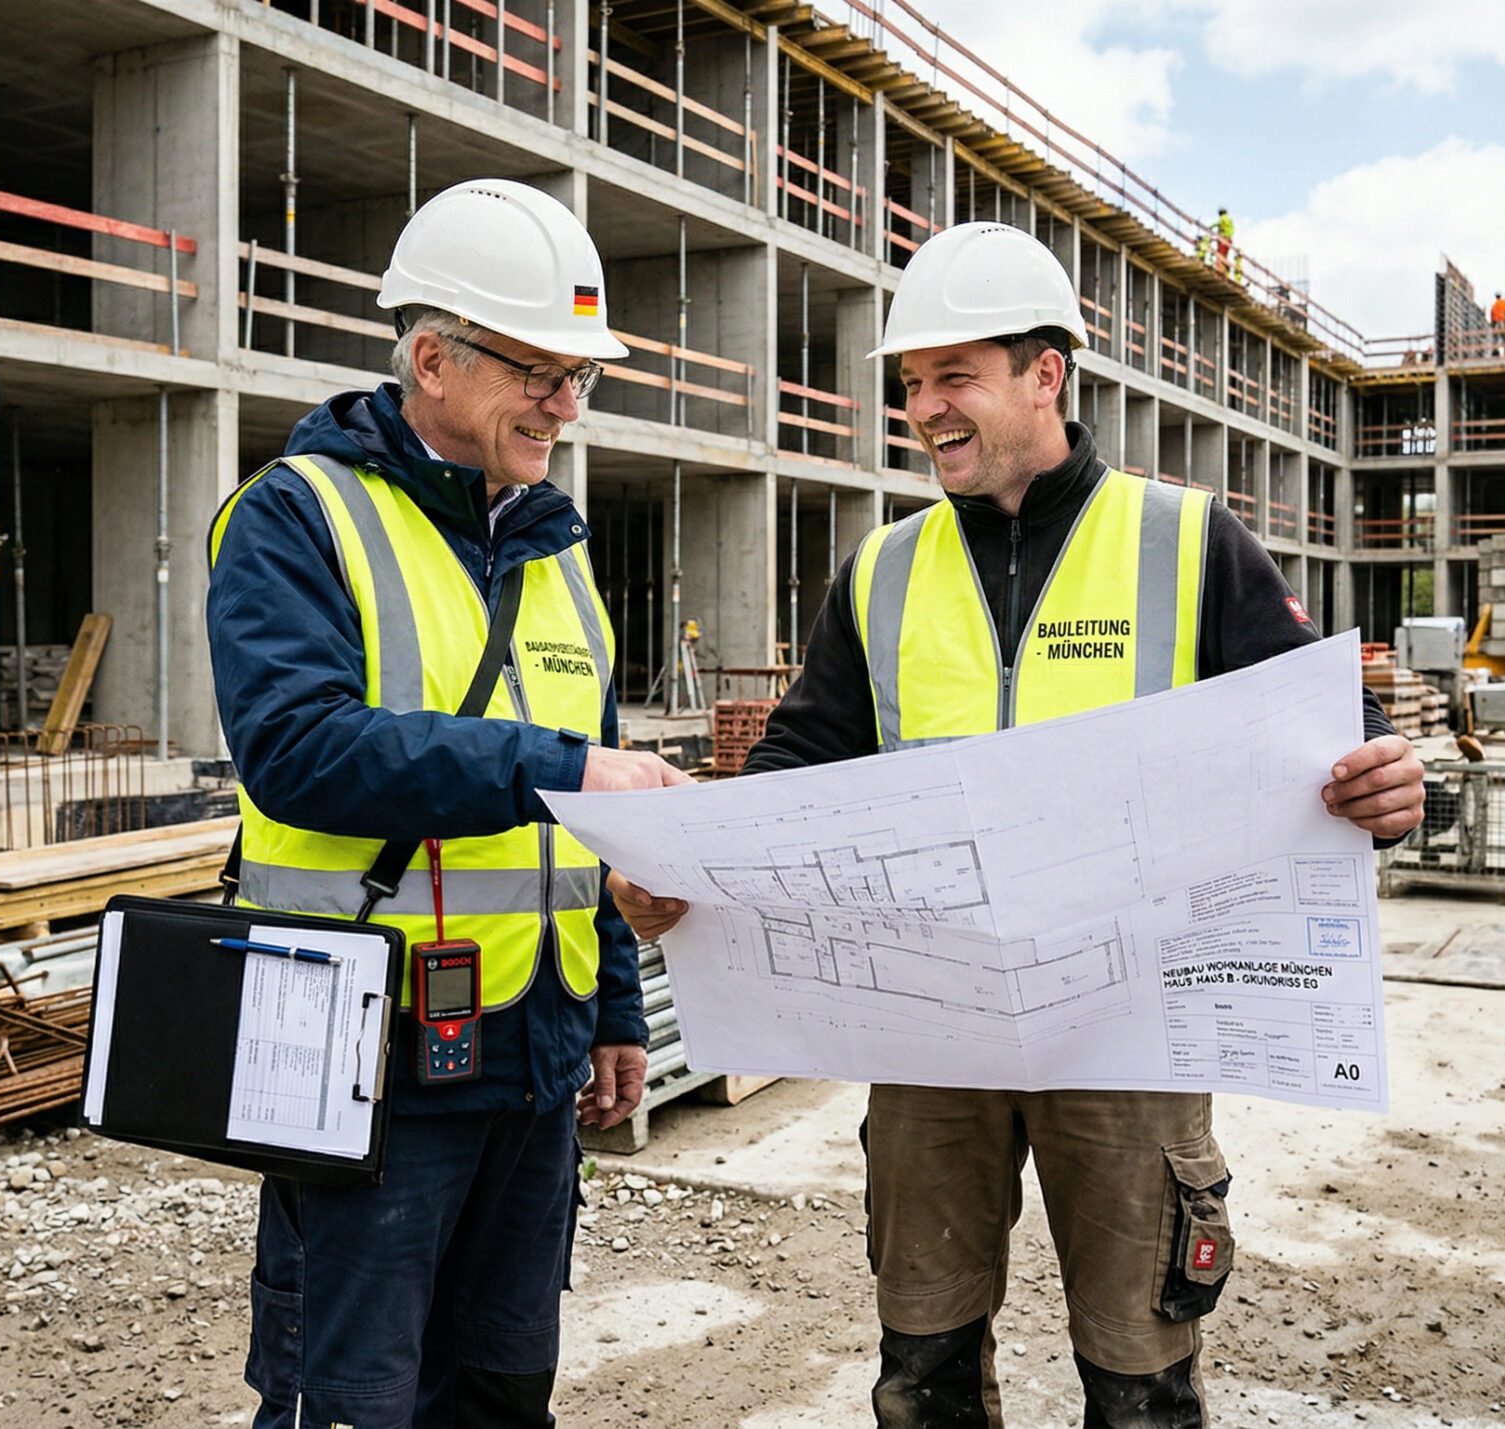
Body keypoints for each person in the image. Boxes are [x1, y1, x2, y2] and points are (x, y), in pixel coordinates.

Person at [609, 221, 1425, 1427]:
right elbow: (794, 763)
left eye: (954, 377)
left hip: (1126, 1033)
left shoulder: (1182, 541)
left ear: (1046, 374)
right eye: (910, 385)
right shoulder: (881, 571)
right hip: (935, 1034)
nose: (925, 409)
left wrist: (1385, 794)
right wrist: (689, 857)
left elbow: (1321, 734)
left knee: (1139, 1375)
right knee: (921, 1368)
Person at [206, 177, 693, 1429]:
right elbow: (299, 748)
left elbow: (587, 831)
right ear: (431, 359)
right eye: (540, 371)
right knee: (354, 1397)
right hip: (364, 1056)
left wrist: (614, 1009)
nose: (565, 404)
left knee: (500, 1387)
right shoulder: (293, 520)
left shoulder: (553, 546)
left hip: (530, 1053)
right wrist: (563, 768)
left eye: (580, 378)